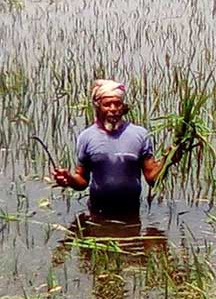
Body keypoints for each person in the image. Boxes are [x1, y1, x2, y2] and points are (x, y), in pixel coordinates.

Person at [53, 79, 180, 217]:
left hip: (131, 211)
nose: (113, 109)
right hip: (98, 212)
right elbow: (82, 181)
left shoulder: (140, 135)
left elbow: (152, 178)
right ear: (97, 107)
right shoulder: (86, 137)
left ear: (123, 107)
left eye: (117, 104)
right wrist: (69, 179)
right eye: (107, 105)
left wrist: (168, 160)